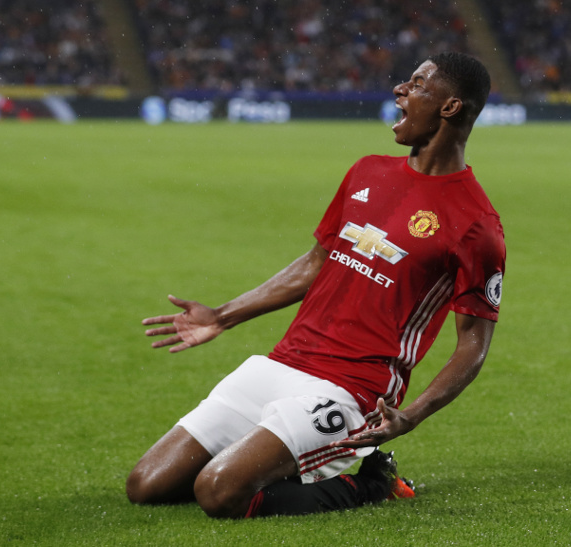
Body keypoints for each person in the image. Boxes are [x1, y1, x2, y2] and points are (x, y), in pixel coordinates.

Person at [127, 51, 505, 519]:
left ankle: (371, 479)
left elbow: (473, 344)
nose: (399, 90)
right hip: (283, 362)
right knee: (146, 485)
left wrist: (413, 415)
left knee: (220, 493)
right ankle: (302, 460)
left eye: (416, 84)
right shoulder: (367, 171)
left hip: (350, 389)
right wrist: (222, 316)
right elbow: (315, 264)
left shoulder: (476, 224)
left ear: (449, 107)